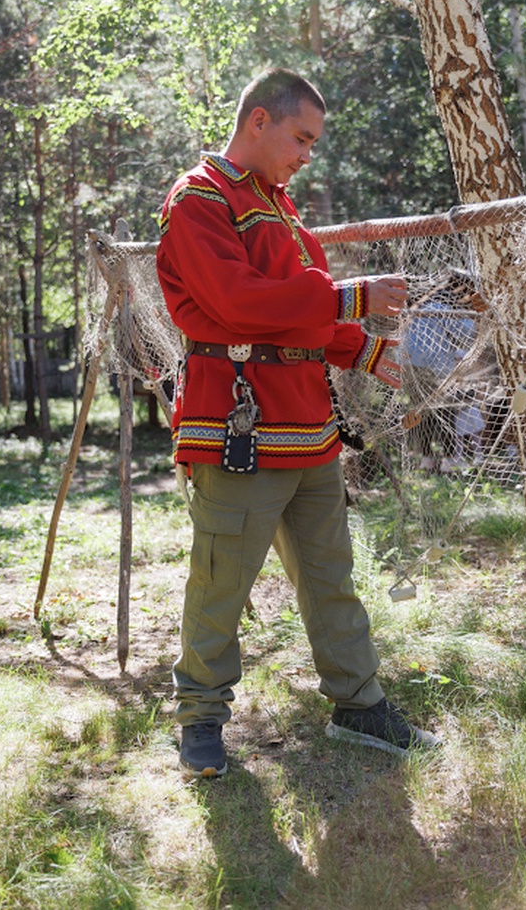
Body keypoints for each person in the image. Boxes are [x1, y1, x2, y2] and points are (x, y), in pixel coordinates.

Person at [157, 66, 441, 777]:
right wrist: (352, 299)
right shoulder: (199, 199)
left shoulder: (281, 210)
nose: (307, 154)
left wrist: (365, 348)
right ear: (259, 120)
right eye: (301, 136)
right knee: (222, 581)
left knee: (329, 576)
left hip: (310, 429)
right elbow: (239, 303)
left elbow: (306, 311)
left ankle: (358, 704)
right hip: (237, 429)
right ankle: (200, 718)